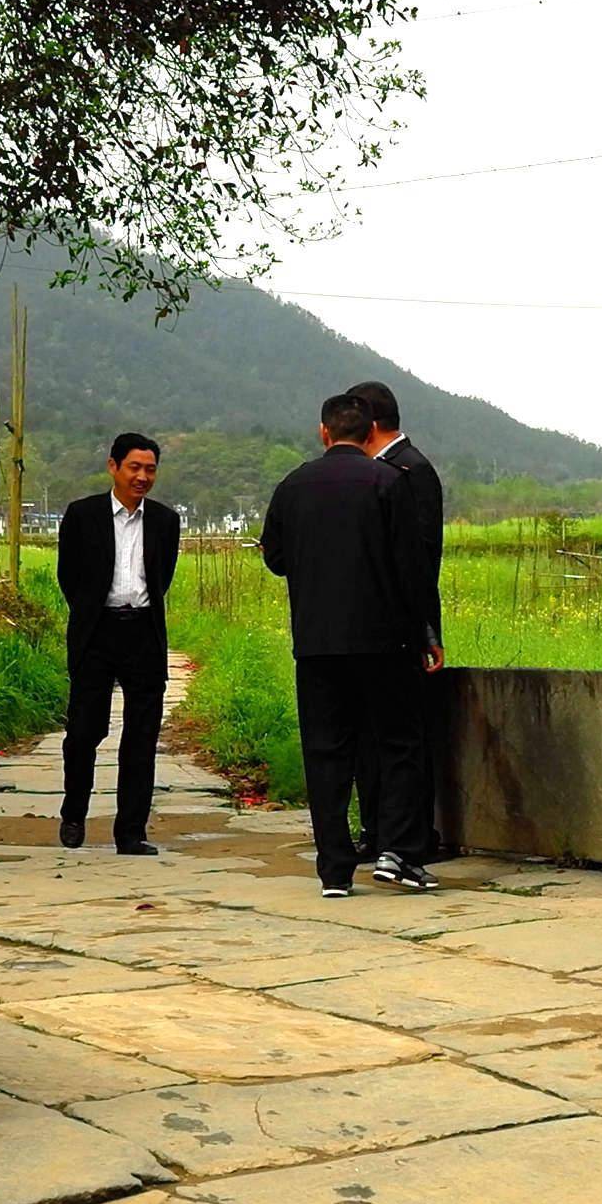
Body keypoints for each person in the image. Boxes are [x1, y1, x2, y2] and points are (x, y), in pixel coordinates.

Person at [258, 392, 433, 897]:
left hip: (317, 643)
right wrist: (425, 632)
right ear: (370, 431)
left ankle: (334, 870)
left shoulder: (293, 486)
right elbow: (412, 567)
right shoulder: (389, 482)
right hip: (384, 642)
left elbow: (275, 557)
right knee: (399, 745)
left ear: (324, 432)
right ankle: (397, 853)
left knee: (326, 752)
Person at [53, 432, 181, 854]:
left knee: (142, 737)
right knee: (84, 731)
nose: (142, 477)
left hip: (144, 632)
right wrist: (92, 612)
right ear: (113, 466)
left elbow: (162, 577)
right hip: (96, 633)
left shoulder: (165, 521)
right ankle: (74, 813)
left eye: (150, 469)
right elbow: (69, 576)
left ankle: (131, 831)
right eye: (134, 467)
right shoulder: (82, 515)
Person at [346, 379, 444, 864]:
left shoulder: (412, 471)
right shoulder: (369, 473)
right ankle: (376, 829)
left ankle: (413, 836)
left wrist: (426, 630)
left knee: (406, 737)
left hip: (402, 628)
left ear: (369, 422)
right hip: (363, 628)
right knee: (367, 735)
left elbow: (421, 560)